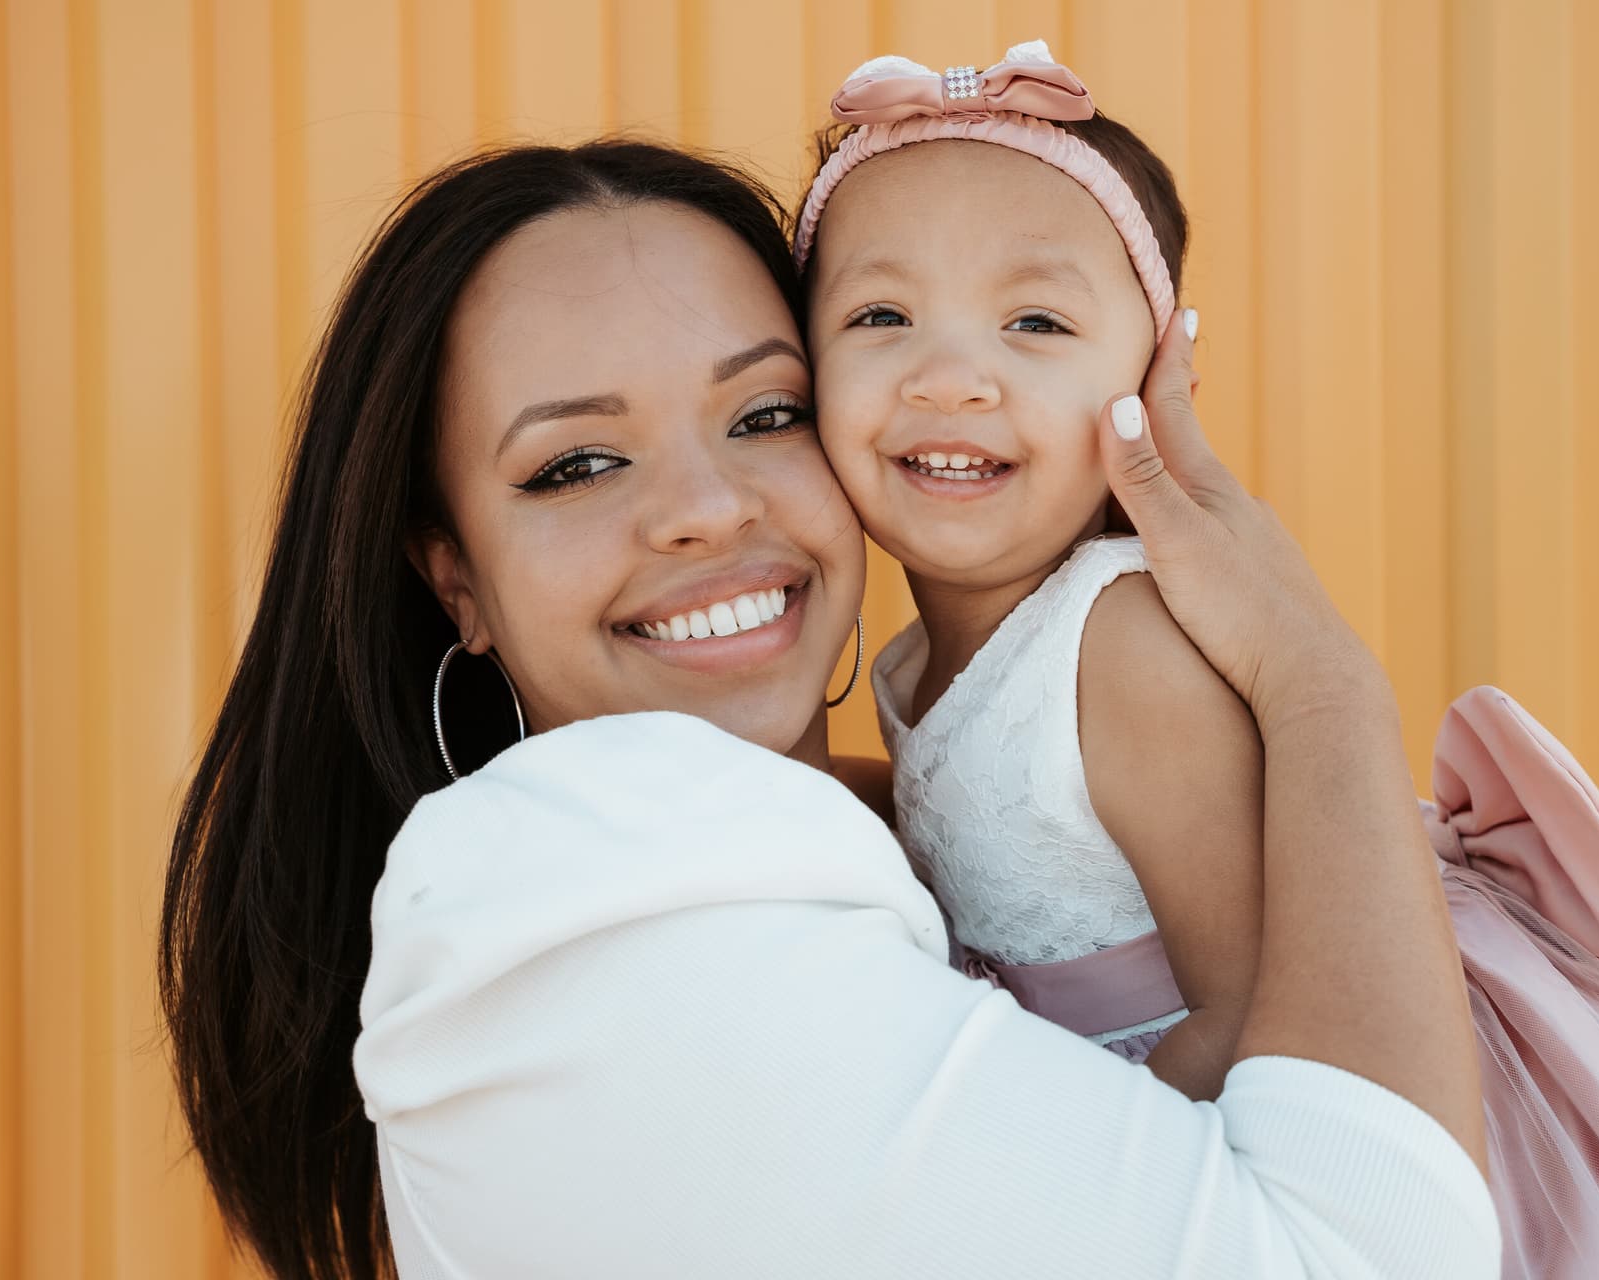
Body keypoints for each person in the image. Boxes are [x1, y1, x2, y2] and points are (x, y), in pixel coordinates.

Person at [160, 139, 1494, 1279]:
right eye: (575, 463)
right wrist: (1318, 682)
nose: (705, 506)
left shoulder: (926, 813)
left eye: (765, 413)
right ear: (456, 577)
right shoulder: (566, 912)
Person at [793, 42, 1599, 1277]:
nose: (953, 376)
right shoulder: (922, 653)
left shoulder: (1119, 649)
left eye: (1037, 321)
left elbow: (1260, 1010)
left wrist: (1041, 1164)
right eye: (880, 315)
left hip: (1330, 1131)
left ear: (1153, 373)